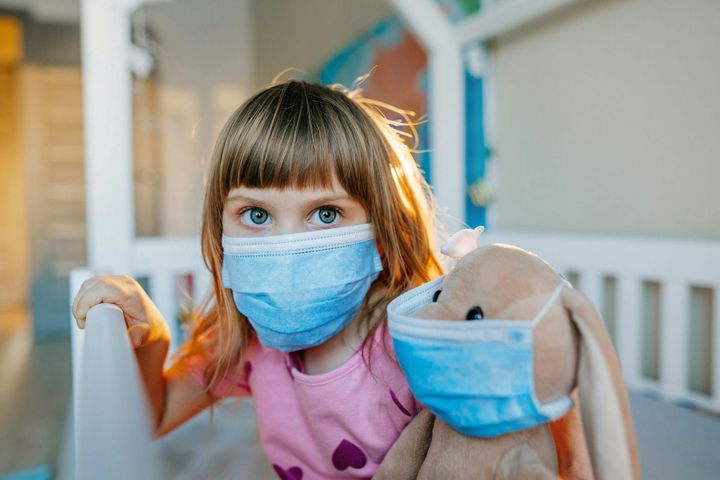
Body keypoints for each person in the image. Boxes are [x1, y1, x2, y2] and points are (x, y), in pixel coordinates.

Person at [72, 75, 444, 479]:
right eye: (257, 215)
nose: (287, 248)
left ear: (383, 225)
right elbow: (152, 417)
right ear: (220, 229)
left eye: (326, 214)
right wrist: (153, 336)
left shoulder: (418, 336)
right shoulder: (242, 341)